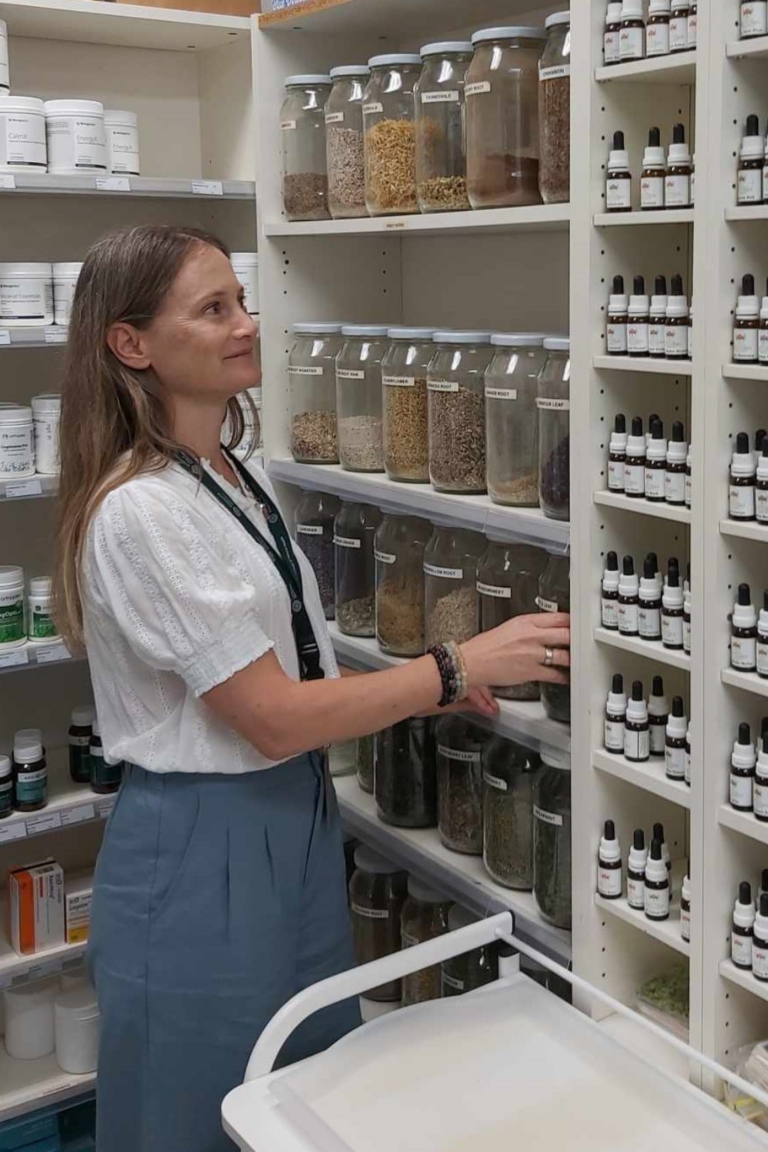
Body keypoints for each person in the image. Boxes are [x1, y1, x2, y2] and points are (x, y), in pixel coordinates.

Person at [52, 224, 570, 1152]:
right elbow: (271, 720)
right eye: (213, 309)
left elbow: (289, 661)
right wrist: (451, 666)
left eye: (243, 300)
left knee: (299, 1100)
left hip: (293, 820)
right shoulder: (141, 511)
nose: (247, 324)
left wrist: (428, 694)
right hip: (201, 848)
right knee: (198, 1115)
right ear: (130, 345)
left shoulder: (228, 473)